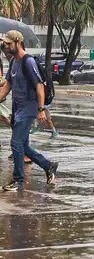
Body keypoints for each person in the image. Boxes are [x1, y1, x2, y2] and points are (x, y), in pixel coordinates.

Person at [0, 31, 57, 190]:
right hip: (18, 109)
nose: (6, 46)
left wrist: (40, 110)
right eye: (5, 44)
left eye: (9, 44)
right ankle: (48, 166)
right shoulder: (13, 63)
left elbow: (39, 86)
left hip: (29, 108)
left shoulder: (28, 61)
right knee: (22, 146)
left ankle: (18, 181)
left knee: (16, 142)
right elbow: (7, 87)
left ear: (18, 42)